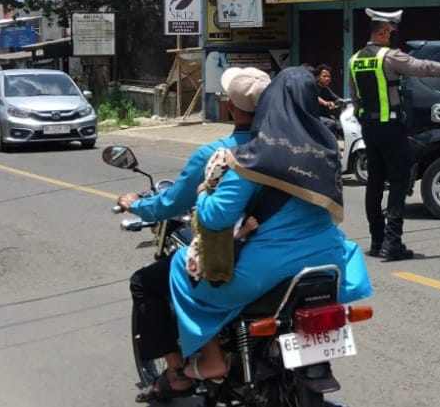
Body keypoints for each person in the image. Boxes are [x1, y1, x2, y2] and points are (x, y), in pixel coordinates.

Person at [167, 67, 372, 382]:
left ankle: (211, 359)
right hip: (330, 261)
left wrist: (205, 193)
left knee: (181, 265)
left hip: (267, 269)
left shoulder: (254, 154)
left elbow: (215, 217)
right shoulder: (327, 146)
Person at [118, 66, 269, 402]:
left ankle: (177, 375)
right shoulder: (283, 148)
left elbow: (172, 202)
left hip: (235, 253)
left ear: (230, 106)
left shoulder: (217, 153)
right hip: (278, 249)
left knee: (146, 282)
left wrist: (135, 205)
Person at [349, 9, 440, 261]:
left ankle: (377, 241)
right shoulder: (389, 56)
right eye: (390, 32)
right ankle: (393, 244)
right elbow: (423, 67)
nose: (392, 37)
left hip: (369, 130)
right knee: (399, 182)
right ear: (382, 32)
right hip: (391, 129)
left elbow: (355, 98)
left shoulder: (354, 60)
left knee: (374, 183)